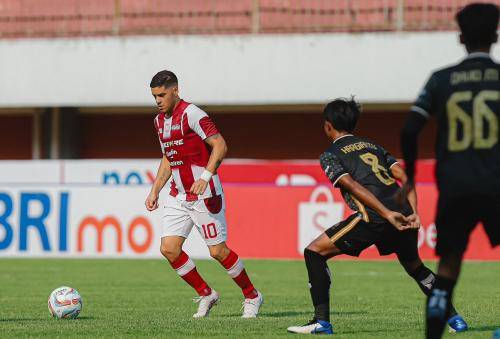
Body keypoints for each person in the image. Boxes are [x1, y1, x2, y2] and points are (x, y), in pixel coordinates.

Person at [287, 98, 467, 335]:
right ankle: (455, 320)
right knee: (416, 268)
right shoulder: (372, 146)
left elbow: (351, 185)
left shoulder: (330, 154)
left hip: (376, 216)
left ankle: (321, 322)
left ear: (328, 126)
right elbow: (407, 177)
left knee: (314, 252)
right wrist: (413, 213)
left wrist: (386, 214)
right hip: (401, 213)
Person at [400, 3, 499, 338]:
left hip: (455, 186)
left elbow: (410, 129)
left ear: (460, 38)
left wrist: (411, 175)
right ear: (496, 36)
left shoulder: (442, 79)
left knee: (447, 268)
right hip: (497, 184)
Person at [145, 70, 263, 318]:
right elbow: (169, 156)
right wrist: (155, 189)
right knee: (169, 248)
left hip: (205, 193)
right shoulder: (158, 122)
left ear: (175, 90)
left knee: (218, 251)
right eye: (154, 96)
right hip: (178, 195)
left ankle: (252, 295)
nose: (158, 100)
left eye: (162, 95)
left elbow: (220, 145)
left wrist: (205, 177)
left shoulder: (192, 114)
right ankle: (207, 293)